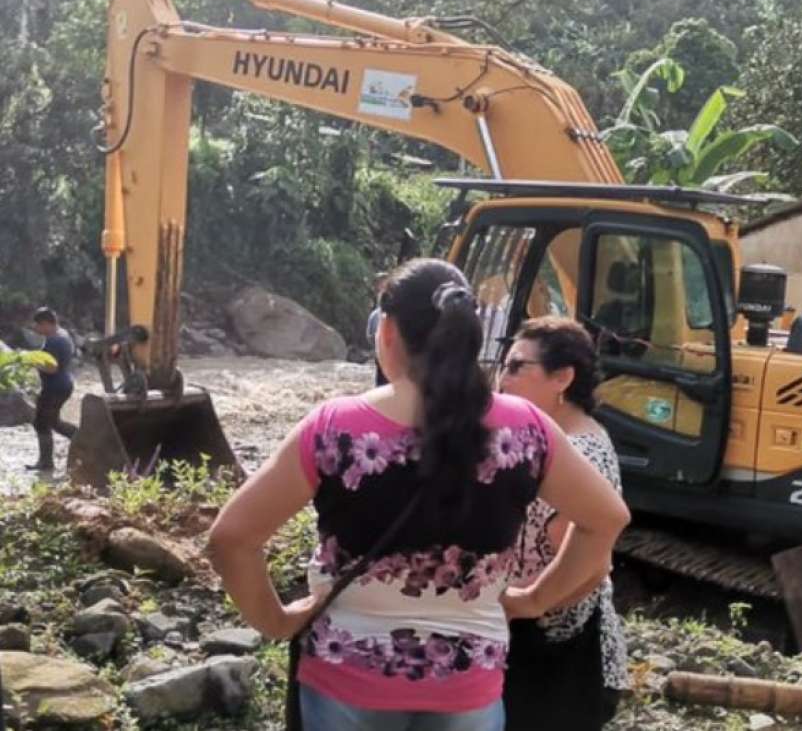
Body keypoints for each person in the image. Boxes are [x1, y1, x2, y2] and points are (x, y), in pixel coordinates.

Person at [206, 259, 630, 731]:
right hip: (468, 685)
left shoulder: (335, 427)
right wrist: (533, 600)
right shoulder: (526, 429)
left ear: (388, 332)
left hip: (344, 679)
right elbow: (606, 520)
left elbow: (231, 538)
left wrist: (277, 621)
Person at [498, 317, 629, 730]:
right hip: (549, 655)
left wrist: (530, 601)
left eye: (517, 367)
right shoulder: (562, 440)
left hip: (558, 663)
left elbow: (594, 566)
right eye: (504, 365)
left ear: (562, 378)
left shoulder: (576, 453)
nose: (502, 378)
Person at [25, 307, 77, 472]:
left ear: (47, 323)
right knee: (53, 421)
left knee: (41, 422)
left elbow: (52, 368)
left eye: (38, 325)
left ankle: (46, 462)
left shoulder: (55, 340)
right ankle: (81, 436)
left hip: (55, 387)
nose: (37, 329)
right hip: (63, 384)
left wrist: (32, 362)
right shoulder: (63, 335)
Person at [365, 272, 390, 387]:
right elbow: (370, 335)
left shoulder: (376, 315)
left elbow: (369, 336)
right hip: (381, 356)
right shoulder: (375, 315)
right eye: (381, 284)